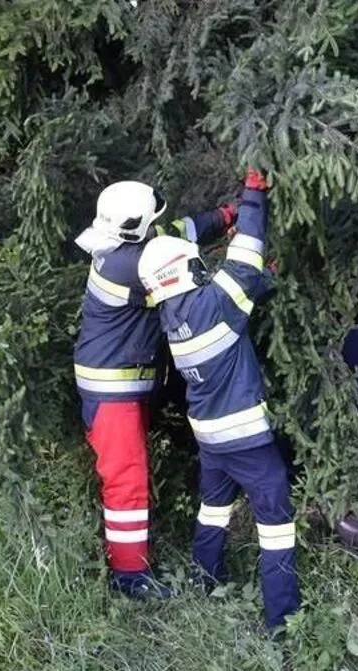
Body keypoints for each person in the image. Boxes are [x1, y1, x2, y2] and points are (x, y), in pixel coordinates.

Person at [136, 168, 300, 634]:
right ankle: (283, 620)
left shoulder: (174, 313)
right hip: (245, 438)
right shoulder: (209, 304)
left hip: (210, 437)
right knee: (276, 523)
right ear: (183, 270)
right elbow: (244, 258)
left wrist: (264, 279)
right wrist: (253, 193)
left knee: (213, 507)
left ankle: (205, 577)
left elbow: (237, 296)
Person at [72, 180, 236, 599]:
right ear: (137, 226)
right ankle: (129, 577)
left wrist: (226, 216)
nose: (158, 225)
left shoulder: (124, 244)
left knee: (130, 476)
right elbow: (193, 284)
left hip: (124, 384)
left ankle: (131, 567)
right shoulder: (131, 264)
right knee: (126, 481)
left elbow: (177, 233)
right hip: (113, 391)